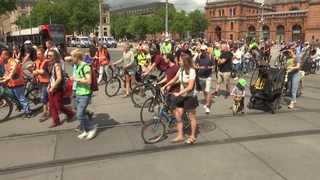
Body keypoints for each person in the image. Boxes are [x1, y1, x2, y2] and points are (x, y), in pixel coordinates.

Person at [161, 54, 198, 145]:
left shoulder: (192, 71)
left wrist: (178, 93)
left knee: (191, 117)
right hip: (182, 95)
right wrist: (166, 85)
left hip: (190, 97)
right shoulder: (180, 70)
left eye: (180, 60)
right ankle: (180, 135)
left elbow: (190, 87)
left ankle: (193, 136)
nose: (178, 61)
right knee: (178, 114)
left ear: (184, 61)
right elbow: (174, 79)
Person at [69, 49, 97, 140]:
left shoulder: (85, 67)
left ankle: (92, 128)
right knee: (82, 113)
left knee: (80, 115)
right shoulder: (77, 66)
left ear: (76, 57)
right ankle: (86, 130)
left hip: (85, 94)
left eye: (72, 56)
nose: (71, 58)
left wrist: (77, 79)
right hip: (78, 93)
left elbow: (88, 81)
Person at [0, 50, 33, 118]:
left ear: (7, 55)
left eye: (2, 55)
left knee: (21, 98)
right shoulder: (6, 63)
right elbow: (7, 74)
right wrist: (2, 78)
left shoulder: (13, 63)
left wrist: (2, 81)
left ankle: (29, 112)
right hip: (11, 84)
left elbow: (10, 75)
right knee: (14, 97)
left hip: (17, 84)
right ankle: (20, 106)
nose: (1, 56)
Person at [47, 50, 74, 128]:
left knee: (58, 105)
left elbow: (59, 78)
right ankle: (56, 121)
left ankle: (70, 113)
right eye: (48, 55)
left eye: (50, 56)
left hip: (57, 88)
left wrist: (53, 87)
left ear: (55, 56)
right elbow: (51, 77)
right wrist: (49, 85)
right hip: (51, 87)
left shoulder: (57, 65)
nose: (48, 57)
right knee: (52, 105)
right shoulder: (49, 64)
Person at [28, 50, 50, 122]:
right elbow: (35, 72)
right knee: (45, 98)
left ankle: (45, 113)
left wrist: (37, 71)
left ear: (43, 54)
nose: (37, 56)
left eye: (39, 54)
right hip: (40, 82)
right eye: (37, 54)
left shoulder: (46, 62)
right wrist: (30, 69)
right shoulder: (37, 62)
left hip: (45, 82)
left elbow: (43, 72)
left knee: (44, 98)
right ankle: (48, 111)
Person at [194, 45, 215, 114]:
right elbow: (194, 65)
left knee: (207, 90)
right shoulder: (199, 56)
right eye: (201, 50)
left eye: (204, 50)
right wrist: (199, 68)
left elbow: (214, 66)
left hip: (208, 76)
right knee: (204, 91)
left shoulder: (210, 57)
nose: (202, 51)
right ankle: (207, 101)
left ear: (206, 50)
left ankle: (208, 106)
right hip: (201, 76)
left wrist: (208, 67)